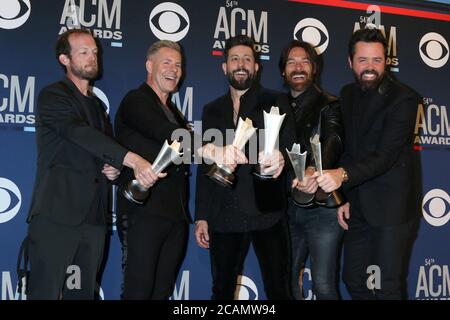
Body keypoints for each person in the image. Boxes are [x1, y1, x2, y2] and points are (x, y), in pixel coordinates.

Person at [22, 29, 162, 300]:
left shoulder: (98, 106)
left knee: (82, 295)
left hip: (94, 221)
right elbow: (78, 133)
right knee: (44, 293)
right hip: (56, 216)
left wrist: (113, 168)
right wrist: (131, 160)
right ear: (64, 59)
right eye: (83, 52)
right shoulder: (52, 95)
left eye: (95, 52)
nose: (92, 57)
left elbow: (100, 149)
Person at [114, 40, 244, 300]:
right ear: (149, 66)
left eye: (179, 65)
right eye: (167, 62)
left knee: (162, 292)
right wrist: (211, 150)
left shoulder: (173, 110)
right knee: (138, 291)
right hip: (143, 213)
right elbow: (167, 134)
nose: (174, 70)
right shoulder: (136, 100)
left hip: (175, 216)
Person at [317, 28, 419, 299]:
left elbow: (385, 156)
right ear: (350, 63)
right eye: (363, 60)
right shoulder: (347, 94)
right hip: (358, 204)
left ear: (386, 61)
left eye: (377, 60)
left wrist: (342, 175)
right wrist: (343, 198)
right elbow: (350, 149)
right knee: (352, 278)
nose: (370, 67)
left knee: (387, 285)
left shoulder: (405, 98)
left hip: (392, 207)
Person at [194, 35, 293, 300]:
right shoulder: (211, 109)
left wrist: (282, 157)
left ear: (256, 67)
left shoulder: (277, 101)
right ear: (224, 66)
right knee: (222, 290)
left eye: (247, 59)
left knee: (279, 289)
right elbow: (205, 165)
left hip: (268, 211)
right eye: (235, 59)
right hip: (223, 213)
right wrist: (202, 214)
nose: (241, 64)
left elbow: (291, 145)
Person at [277, 40, 344, 299]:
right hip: (286, 210)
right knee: (286, 282)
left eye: (304, 61)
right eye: (292, 62)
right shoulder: (275, 108)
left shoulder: (329, 104)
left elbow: (333, 141)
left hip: (322, 209)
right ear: (283, 71)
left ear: (314, 68)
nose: (298, 67)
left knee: (324, 285)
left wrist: (315, 172)